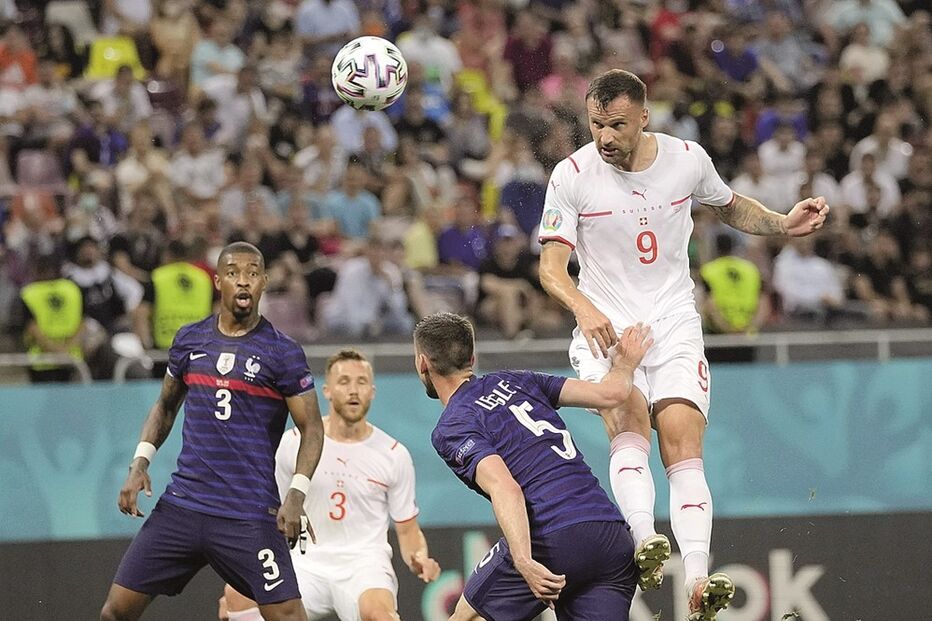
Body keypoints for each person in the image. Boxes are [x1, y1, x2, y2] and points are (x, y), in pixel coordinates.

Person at [537, 69, 829, 620]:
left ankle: (697, 579)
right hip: (610, 326)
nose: (605, 137)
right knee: (629, 424)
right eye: (596, 124)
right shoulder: (572, 174)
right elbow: (550, 267)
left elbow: (728, 205)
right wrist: (585, 308)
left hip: (673, 320)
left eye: (617, 125)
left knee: (682, 442)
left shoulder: (687, 159)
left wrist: (780, 223)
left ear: (644, 117)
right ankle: (646, 541)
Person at [99, 241, 326, 621]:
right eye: (234, 273)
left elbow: (312, 428)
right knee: (115, 612)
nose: (243, 282)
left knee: (288, 616)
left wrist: (296, 495)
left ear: (264, 282)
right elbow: (165, 406)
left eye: (253, 274)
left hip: (249, 514)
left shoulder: (282, 352)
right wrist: (140, 463)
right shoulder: (190, 340)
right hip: (183, 506)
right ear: (218, 280)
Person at [415, 312, 653, 621]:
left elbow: (505, 487)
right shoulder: (519, 380)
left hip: (553, 537)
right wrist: (625, 363)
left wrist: (523, 560)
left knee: (468, 617)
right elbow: (611, 394)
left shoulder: (453, 425)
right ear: (472, 357)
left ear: (423, 363)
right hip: (610, 537)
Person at [222, 349, 441, 621]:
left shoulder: (394, 454)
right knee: (237, 596)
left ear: (372, 391)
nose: (353, 391)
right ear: (326, 391)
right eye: (344, 381)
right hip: (303, 562)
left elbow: (407, 529)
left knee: (381, 616)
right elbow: (268, 513)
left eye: (361, 382)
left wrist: (418, 557)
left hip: (363, 564)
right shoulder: (293, 444)